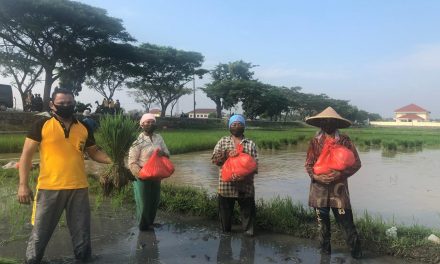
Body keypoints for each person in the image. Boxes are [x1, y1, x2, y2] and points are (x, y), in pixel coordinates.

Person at [17, 88, 112, 264]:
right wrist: (23, 185)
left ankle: (83, 259)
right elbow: (26, 156)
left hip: (79, 188)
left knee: (82, 232)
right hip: (49, 188)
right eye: (61, 103)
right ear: (52, 105)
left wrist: (114, 160)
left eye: (69, 103)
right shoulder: (41, 125)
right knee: (40, 233)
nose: (66, 106)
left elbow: (94, 152)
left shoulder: (83, 127)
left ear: (74, 103)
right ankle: (31, 261)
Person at [304, 106, 362, 258]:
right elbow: (308, 164)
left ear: (337, 123)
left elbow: (356, 164)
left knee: (347, 225)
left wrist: (340, 174)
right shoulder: (315, 142)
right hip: (319, 192)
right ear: (320, 123)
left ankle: (356, 256)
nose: (328, 123)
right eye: (324, 120)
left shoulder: (345, 141)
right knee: (322, 227)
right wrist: (317, 177)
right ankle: (325, 255)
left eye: (331, 120)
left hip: (339, 192)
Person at [211, 114, 258, 236]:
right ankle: (225, 234)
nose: (236, 126)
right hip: (225, 187)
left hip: (246, 186)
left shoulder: (250, 144)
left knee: (248, 214)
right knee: (225, 216)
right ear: (229, 127)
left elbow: (255, 166)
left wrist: (244, 176)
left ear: (244, 127)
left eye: (239, 124)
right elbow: (215, 160)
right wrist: (226, 154)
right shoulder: (223, 141)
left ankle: (248, 235)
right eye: (234, 124)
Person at [128, 113, 170, 231]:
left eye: (152, 122)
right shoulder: (138, 141)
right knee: (143, 202)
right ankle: (142, 226)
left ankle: (150, 223)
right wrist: (140, 174)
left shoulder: (158, 138)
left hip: (156, 175)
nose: (150, 124)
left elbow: (168, 154)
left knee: (154, 200)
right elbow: (132, 161)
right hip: (142, 175)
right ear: (142, 125)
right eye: (147, 122)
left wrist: (163, 154)